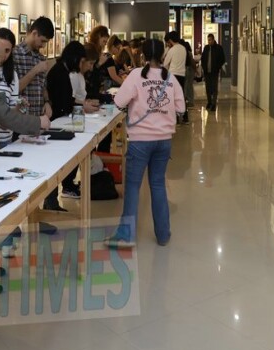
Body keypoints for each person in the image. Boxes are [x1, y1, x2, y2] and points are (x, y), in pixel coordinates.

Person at [106, 39, 185, 248]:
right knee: (158, 185)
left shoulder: (136, 75)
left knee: (133, 187)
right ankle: (163, 234)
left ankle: (126, 236)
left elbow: (118, 102)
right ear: (163, 55)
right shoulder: (170, 78)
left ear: (142, 55)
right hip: (164, 141)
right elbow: (181, 109)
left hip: (140, 141)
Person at [46, 41, 92, 203]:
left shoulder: (63, 71)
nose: (81, 65)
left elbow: (66, 99)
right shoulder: (60, 72)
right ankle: (52, 200)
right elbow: (63, 101)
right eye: (81, 61)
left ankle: (53, 199)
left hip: (60, 119)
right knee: (54, 162)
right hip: (56, 121)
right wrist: (81, 105)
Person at [14, 16, 54, 119]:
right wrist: (35, 70)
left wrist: (47, 102)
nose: (43, 46)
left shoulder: (41, 58)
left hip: (39, 117)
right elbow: (15, 88)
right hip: (22, 118)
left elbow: (43, 86)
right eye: (42, 41)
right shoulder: (15, 54)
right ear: (34, 33)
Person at [0, 28, 25, 148]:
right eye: (0, 49)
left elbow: (13, 109)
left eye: (7, 50)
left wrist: (20, 105)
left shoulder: (12, 75)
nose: (3, 54)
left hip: (6, 137)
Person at [163, 31, 189, 123]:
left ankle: (176, 119)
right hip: (182, 75)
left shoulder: (172, 50)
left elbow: (165, 63)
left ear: (170, 40)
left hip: (173, 75)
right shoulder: (183, 48)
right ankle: (185, 117)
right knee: (181, 96)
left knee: (173, 96)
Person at [201, 33, 226, 111]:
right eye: (208, 40)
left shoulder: (218, 48)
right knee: (208, 88)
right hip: (207, 71)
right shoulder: (206, 48)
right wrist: (204, 67)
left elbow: (222, 59)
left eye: (210, 40)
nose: (209, 41)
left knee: (214, 87)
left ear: (213, 39)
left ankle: (214, 103)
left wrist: (218, 67)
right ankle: (209, 102)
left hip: (214, 71)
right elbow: (203, 58)